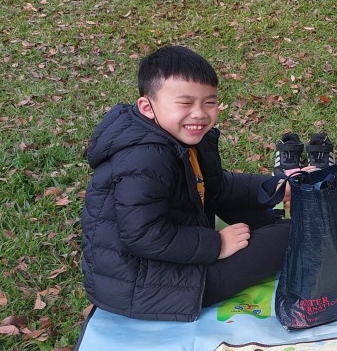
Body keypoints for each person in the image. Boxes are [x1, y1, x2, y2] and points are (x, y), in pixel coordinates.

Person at [81, 46, 291, 321]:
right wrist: (217, 244)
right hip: (148, 284)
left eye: (209, 102)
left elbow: (216, 189)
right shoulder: (145, 157)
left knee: (270, 216)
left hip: (166, 259)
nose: (199, 114)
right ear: (147, 107)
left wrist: (276, 187)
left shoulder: (182, 137)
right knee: (290, 235)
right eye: (185, 103)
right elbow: (143, 234)